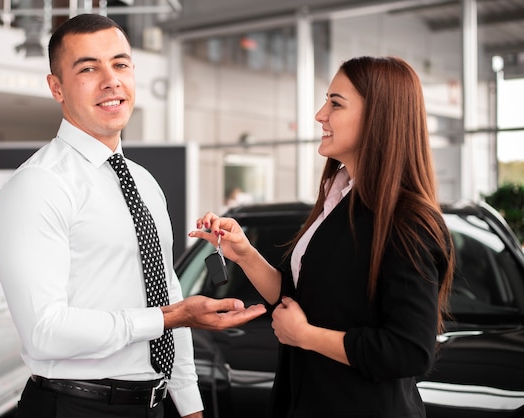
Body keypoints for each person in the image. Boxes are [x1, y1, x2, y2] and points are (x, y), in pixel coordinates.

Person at [0, 13, 265, 418]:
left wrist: (189, 404)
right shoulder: (38, 185)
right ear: (57, 87)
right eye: (88, 68)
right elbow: (44, 332)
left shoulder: (144, 183)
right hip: (73, 407)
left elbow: (166, 287)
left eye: (120, 64)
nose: (111, 80)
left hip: (151, 406)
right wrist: (169, 318)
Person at [188, 56, 455, 417]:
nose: (319, 115)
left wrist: (305, 336)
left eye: (335, 103)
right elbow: (298, 299)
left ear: (378, 116)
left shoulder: (407, 222)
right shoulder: (339, 199)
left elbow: (409, 351)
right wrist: (245, 254)